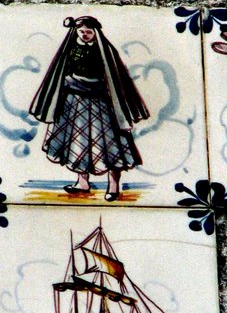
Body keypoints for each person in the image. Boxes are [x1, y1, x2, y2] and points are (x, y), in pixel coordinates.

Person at [29, 15, 149, 201]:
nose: (85, 35)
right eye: (82, 31)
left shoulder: (104, 50)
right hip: (74, 102)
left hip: (100, 103)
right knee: (77, 142)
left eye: (89, 32)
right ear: (76, 31)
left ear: (95, 33)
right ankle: (82, 182)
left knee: (110, 146)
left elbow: (114, 77)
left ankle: (113, 185)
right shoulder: (69, 48)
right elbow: (61, 72)